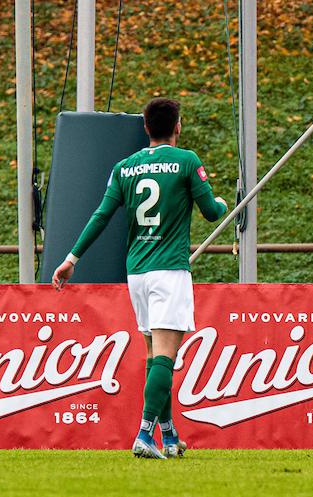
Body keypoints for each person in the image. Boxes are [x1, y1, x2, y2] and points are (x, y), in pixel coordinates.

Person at [52, 98, 227, 459]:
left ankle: (168, 433)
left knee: (152, 355)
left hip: (137, 273)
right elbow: (211, 212)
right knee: (166, 356)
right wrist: (224, 204)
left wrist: (72, 258)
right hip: (169, 269)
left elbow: (101, 214)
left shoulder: (125, 167)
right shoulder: (186, 161)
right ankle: (144, 435)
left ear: (145, 128)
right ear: (177, 126)